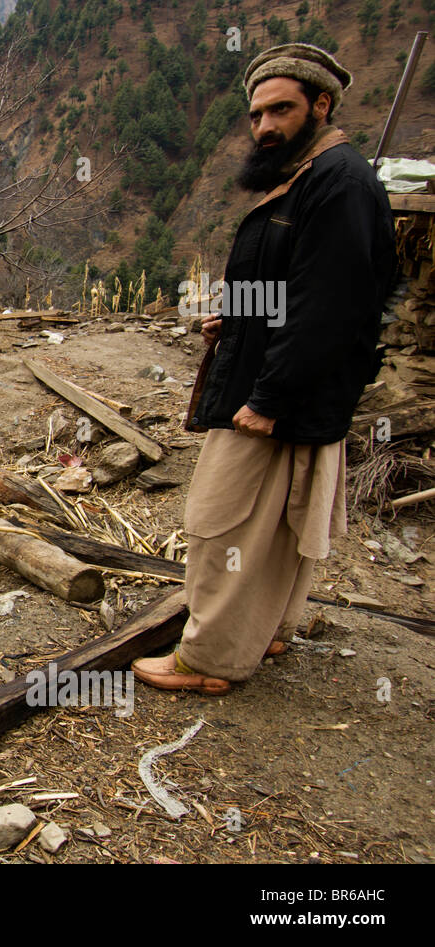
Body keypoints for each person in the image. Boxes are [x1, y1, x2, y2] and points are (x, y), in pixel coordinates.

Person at [133, 43, 396, 696]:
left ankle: (211, 659)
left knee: (220, 521)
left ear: (321, 104)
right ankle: (265, 630)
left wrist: (271, 396)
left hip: (277, 395)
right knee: (275, 529)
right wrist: (237, 313)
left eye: (280, 109)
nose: (264, 126)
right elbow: (287, 279)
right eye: (255, 114)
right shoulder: (308, 176)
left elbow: (329, 305)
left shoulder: (339, 182)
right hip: (273, 379)